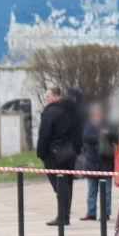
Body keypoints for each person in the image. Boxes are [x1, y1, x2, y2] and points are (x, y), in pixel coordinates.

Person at [36, 85, 79, 225]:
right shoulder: (72, 110)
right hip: (70, 152)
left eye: (48, 96)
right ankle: (65, 214)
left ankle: (62, 216)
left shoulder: (51, 111)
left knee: (59, 185)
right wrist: (76, 148)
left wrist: (41, 153)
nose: (46, 99)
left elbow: (44, 133)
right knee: (67, 184)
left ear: (56, 96)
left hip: (54, 153)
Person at [80, 102, 119, 221]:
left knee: (106, 191)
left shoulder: (109, 125)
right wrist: (100, 136)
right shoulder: (88, 125)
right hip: (92, 161)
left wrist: (109, 133)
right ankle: (91, 213)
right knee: (91, 190)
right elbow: (85, 137)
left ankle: (106, 213)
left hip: (106, 162)